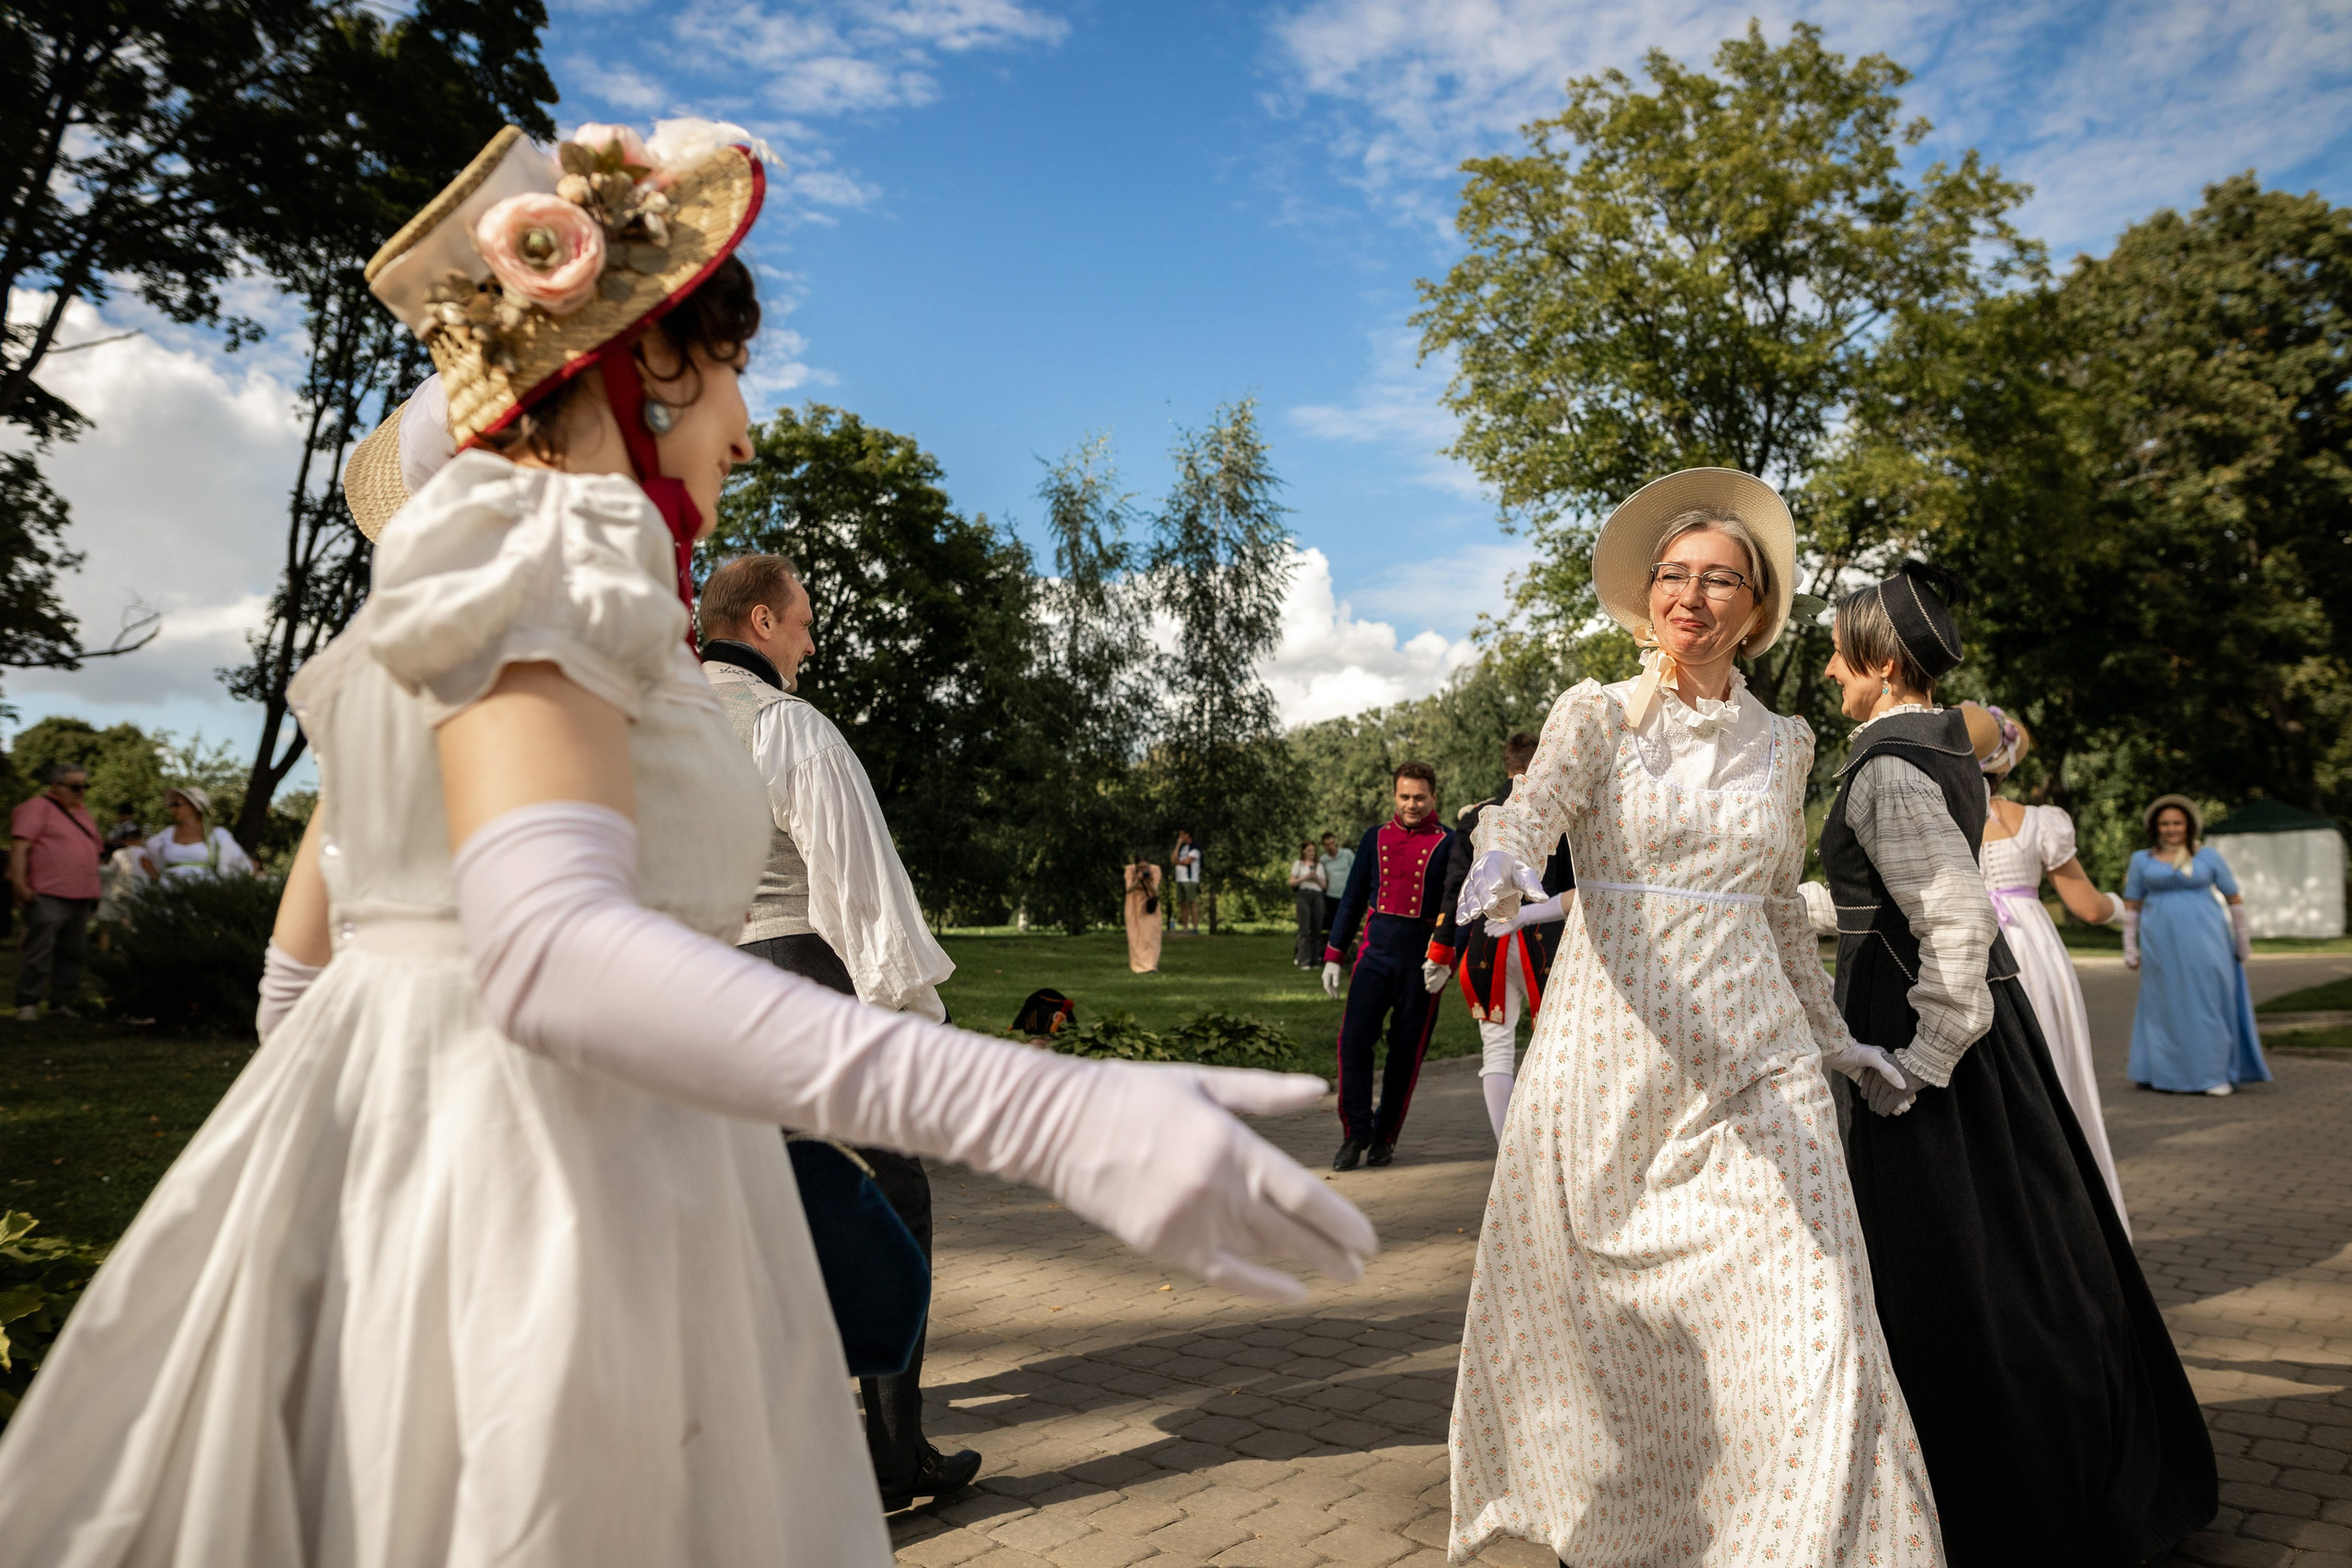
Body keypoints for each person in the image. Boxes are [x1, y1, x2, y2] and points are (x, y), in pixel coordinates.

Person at [0, 119, 1375, 1566]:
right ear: (635, 364)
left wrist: (365, 1212)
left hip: (458, 1196)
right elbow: (549, 949)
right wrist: (1051, 1113)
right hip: (554, 1211)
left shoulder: (439, 603)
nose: (745, 428)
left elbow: (296, 992)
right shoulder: (552, 553)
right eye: (725, 375)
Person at [1448, 469, 1935, 1564]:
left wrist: (1835, 1041)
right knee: (1623, 1336)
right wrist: (1501, 864)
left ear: (1754, 610)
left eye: (1720, 580)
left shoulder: (1787, 743)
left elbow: (1771, 907)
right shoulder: (1595, 715)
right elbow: (1533, 818)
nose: (1692, 597)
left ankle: (1816, 1540)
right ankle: (1649, 1531)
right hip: (1613, 1056)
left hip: (1757, 1063)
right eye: (1674, 576)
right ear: (1645, 596)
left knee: (1816, 1308)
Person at [1818, 560, 2215, 1564]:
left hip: (1935, 1045)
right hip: (1978, 1031)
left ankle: (2006, 1494)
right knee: (2019, 1253)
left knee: (1958, 1269)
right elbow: (1896, 890)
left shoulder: (1888, 765)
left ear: (1876, 657)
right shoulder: (1940, 740)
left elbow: (1951, 916)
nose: (1826, 670)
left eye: (1836, 650)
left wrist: (1920, 1059)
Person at [697, 551, 981, 1513]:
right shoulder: (789, 728)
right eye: (805, 622)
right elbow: (861, 898)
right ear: (764, 621)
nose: (812, 643)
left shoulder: (651, 729)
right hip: (796, 982)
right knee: (891, 1196)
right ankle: (891, 1460)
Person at [1964, 702, 2134, 1225]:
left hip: (1960, 947)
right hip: (2032, 953)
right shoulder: (2041, 823)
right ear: (2007, 764)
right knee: (2053, 1074)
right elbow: (2086, 906)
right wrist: (2122, 908)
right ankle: (2074, 1219)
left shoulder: (1938, 815)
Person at [1426, 730, 1572, 1141]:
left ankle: (1505, 1153)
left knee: (1496, 1051)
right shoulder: (1557, 810)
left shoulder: (1476, 815)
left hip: (1485, 942)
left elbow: (1454, 889)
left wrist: (1440, 951)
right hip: (1549, 940)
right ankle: (1553, 1148)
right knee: (1555, 1051)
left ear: (1506, 766)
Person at [1321, 762, 1454, 1170]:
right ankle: (1355, 1132)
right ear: (1394, 796)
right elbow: (1352, 896)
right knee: (1353, 1042)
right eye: (1404, 796)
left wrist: (1445, 956)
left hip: (1422, 959)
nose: (1411, 804)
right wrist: (1334, 953)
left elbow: (1457, 905)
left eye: (1419, 797)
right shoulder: (1374, 837)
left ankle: (1386, 1135)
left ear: (1433, 797)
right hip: (1375, 954)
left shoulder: (1448, 842)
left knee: (1405, 1053)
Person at [2126, 794, 2270, 1096]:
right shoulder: (2142, 859)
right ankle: (2166, 1073)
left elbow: (2235, 900)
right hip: (2159, 943)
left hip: (2208, 941)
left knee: (2208, 1002)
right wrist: (2129, 946)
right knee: (2166, 1006)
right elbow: (2132, 905)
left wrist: (2243, 941)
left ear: (2188, 825)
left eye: (2177, 822)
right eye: (2165, 823)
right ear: (2155, 827)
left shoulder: (2208, 857)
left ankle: (2213, 1073)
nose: (2171, 828)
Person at [9, 762, 102, 1022]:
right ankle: (27, 1003)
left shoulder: (83, 813)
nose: (81, 791)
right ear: (56, 786)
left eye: (85, 786)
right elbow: (19, 847)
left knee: (73, 952)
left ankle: (62, 1002)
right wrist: (19, 882)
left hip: (81, 894)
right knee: (39, 949)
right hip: (48, 892)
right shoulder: (37, 807)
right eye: (75, 786)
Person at [139, 785, 258, 883]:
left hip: (203, 897)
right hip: (169, 897)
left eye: (177, 804)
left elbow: (242, 865)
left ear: (195, 807)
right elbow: (145, 858)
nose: (173, 809)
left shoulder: (219, 835)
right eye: (171, 805)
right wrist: (160, 880)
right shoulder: (167, 833)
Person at [1286, 840, 1326, 968]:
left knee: (1316, 928)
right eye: (1308, 851)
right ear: (1303, 851)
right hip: (1304, 895)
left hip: (1317, 896)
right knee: (1304, 928)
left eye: (1313, 851)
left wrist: (1316, 878)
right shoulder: (1298, 864)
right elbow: (1291, 882)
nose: (1311, 853)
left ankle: (1315, 960)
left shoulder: (1319, 866)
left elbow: (1324, 885)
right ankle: (1304, 960)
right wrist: (1305, 877)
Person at [1121, 855, 1163, 974]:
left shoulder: (1155, 870)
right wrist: (1137, 880)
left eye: (1145, 867)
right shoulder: (1130, 870)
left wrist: (1149, 882)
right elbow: (1128, 889)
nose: (1144, 870)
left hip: (1149, 903)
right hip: (1133, 903)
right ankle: (1138, 964)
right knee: (1136, 935)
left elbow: (1156, 891)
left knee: (1151, 934)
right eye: (1141, 867)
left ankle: (1151, 965)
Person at [1317, 830, 1351, 950]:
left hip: (1347, 895)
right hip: (1331, 896)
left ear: (1335, 842)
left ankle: (1348, 949)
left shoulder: (1347, 854)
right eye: (1327, 844)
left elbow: (1356, 871)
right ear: (1323, 846)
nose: (1330, 846)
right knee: (1333, 925)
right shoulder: (1323, 860)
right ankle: (1332, 949)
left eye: (1332, 843)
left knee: (1348, 923)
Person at [1171, 829, 1202, 933]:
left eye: (1181, 835)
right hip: (1179, 878)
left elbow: (1187, 861)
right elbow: (1173, 859)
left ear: (1187, 834)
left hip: (1190, 879)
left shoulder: (1195, 848)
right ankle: (1185, 927)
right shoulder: (1182, 848)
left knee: (1191, 902)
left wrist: (1177, 862)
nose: (1180, 837)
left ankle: (1195, 928)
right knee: (1182, 903)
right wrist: (1177, 845)